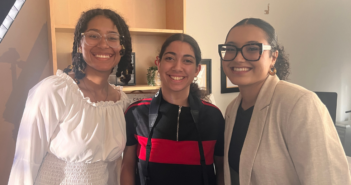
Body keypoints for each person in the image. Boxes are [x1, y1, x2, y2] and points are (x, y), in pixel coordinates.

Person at [220, 18, 351, 185]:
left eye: (252, 49)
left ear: (273, 57)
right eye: (230, 49)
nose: (238, 58)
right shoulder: (232, 110)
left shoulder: (300, 104)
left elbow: (329, 179)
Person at [8, 8, 132, 185]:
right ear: (79, 44)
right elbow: (25, 162)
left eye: (112, 37)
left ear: (121, 48)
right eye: (93, 35)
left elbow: (114, 167)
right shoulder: (53, 92)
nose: (104, 44)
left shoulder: (121, 102)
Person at [121, 33, 225, 185]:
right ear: (158, 62)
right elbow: (127, 166)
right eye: (170, 58)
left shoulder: (213, 116)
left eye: (187, 60)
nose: (177, 67)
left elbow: (222, 170)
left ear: (197, 70)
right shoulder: (136, 113)